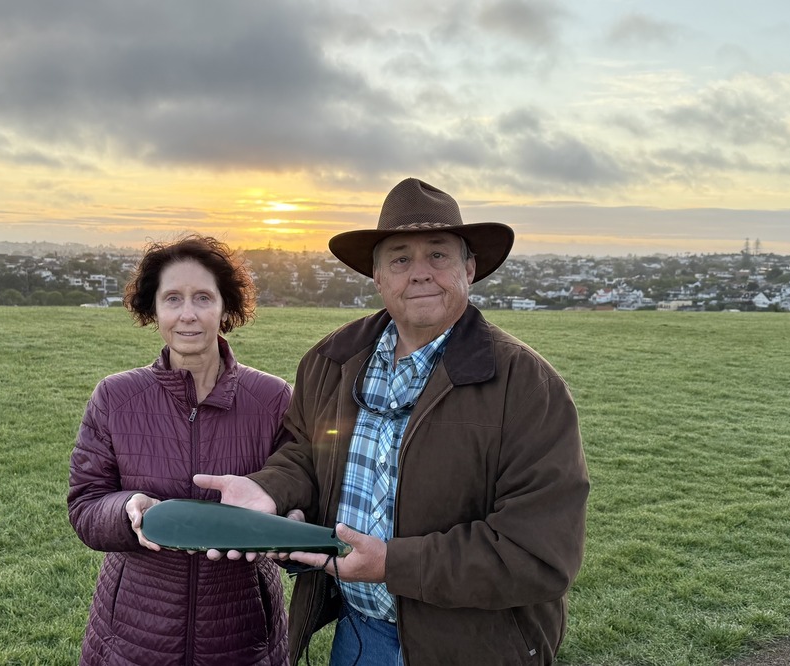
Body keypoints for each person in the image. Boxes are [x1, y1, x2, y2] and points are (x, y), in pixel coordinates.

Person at [195, 178, 590, 666]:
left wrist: (391, 565)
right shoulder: (331, 360)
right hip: (361, 636)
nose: (419, 273)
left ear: (470, 268)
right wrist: (274, 492)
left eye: (439, 255)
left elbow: (538, 554)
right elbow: (304, 451)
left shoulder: (527, 386)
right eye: (400, 258)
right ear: (377, 277)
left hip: (474, 644)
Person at [68, 234, 292, 666]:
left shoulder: (274, 399)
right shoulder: (115, 397)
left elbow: (300, 496)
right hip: (133, 634)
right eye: (172, 299)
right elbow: (85, 506)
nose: (187, 314)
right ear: (153, 310)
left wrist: (286, 520)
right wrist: (127, 510)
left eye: (203, 298)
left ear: (225, 308)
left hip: (243, 635)